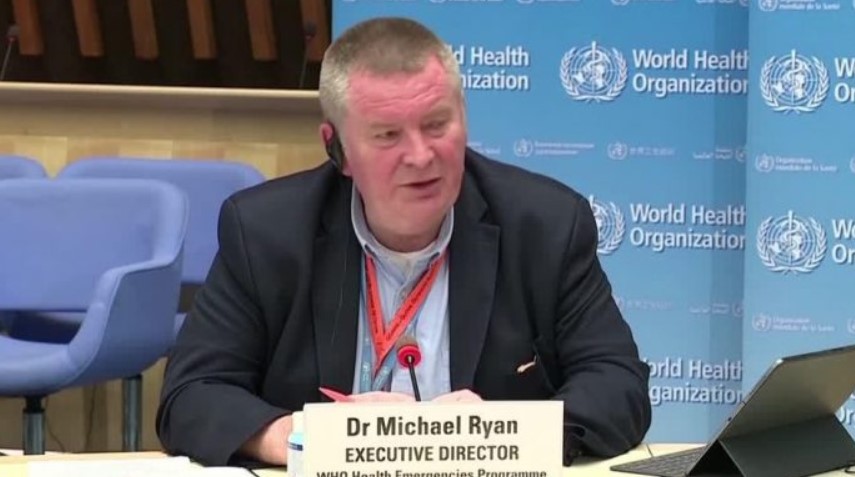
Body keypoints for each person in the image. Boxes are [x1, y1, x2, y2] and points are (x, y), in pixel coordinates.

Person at [156, 16, 651, 468]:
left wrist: (503, 434)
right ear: (337, 148)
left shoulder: (544, 225)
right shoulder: (267, 232)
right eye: (388, 135)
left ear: (464, 117)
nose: (420, 156)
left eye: (436, 125)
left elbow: (618, 385)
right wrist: (306, 437)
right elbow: (192, 395)